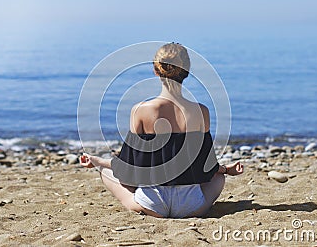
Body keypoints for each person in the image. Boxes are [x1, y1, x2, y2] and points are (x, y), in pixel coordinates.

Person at [80, 43, 243, 218]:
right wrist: (225, 170)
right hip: (190, 206)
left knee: (106, 172)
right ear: (186, 72)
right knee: (219, 179)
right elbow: (206, 166)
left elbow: (128, 167)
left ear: (156, 71)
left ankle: (140, 202)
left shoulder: (140, 110)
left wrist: (97, 161)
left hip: (151, 204)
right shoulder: (201, 111)